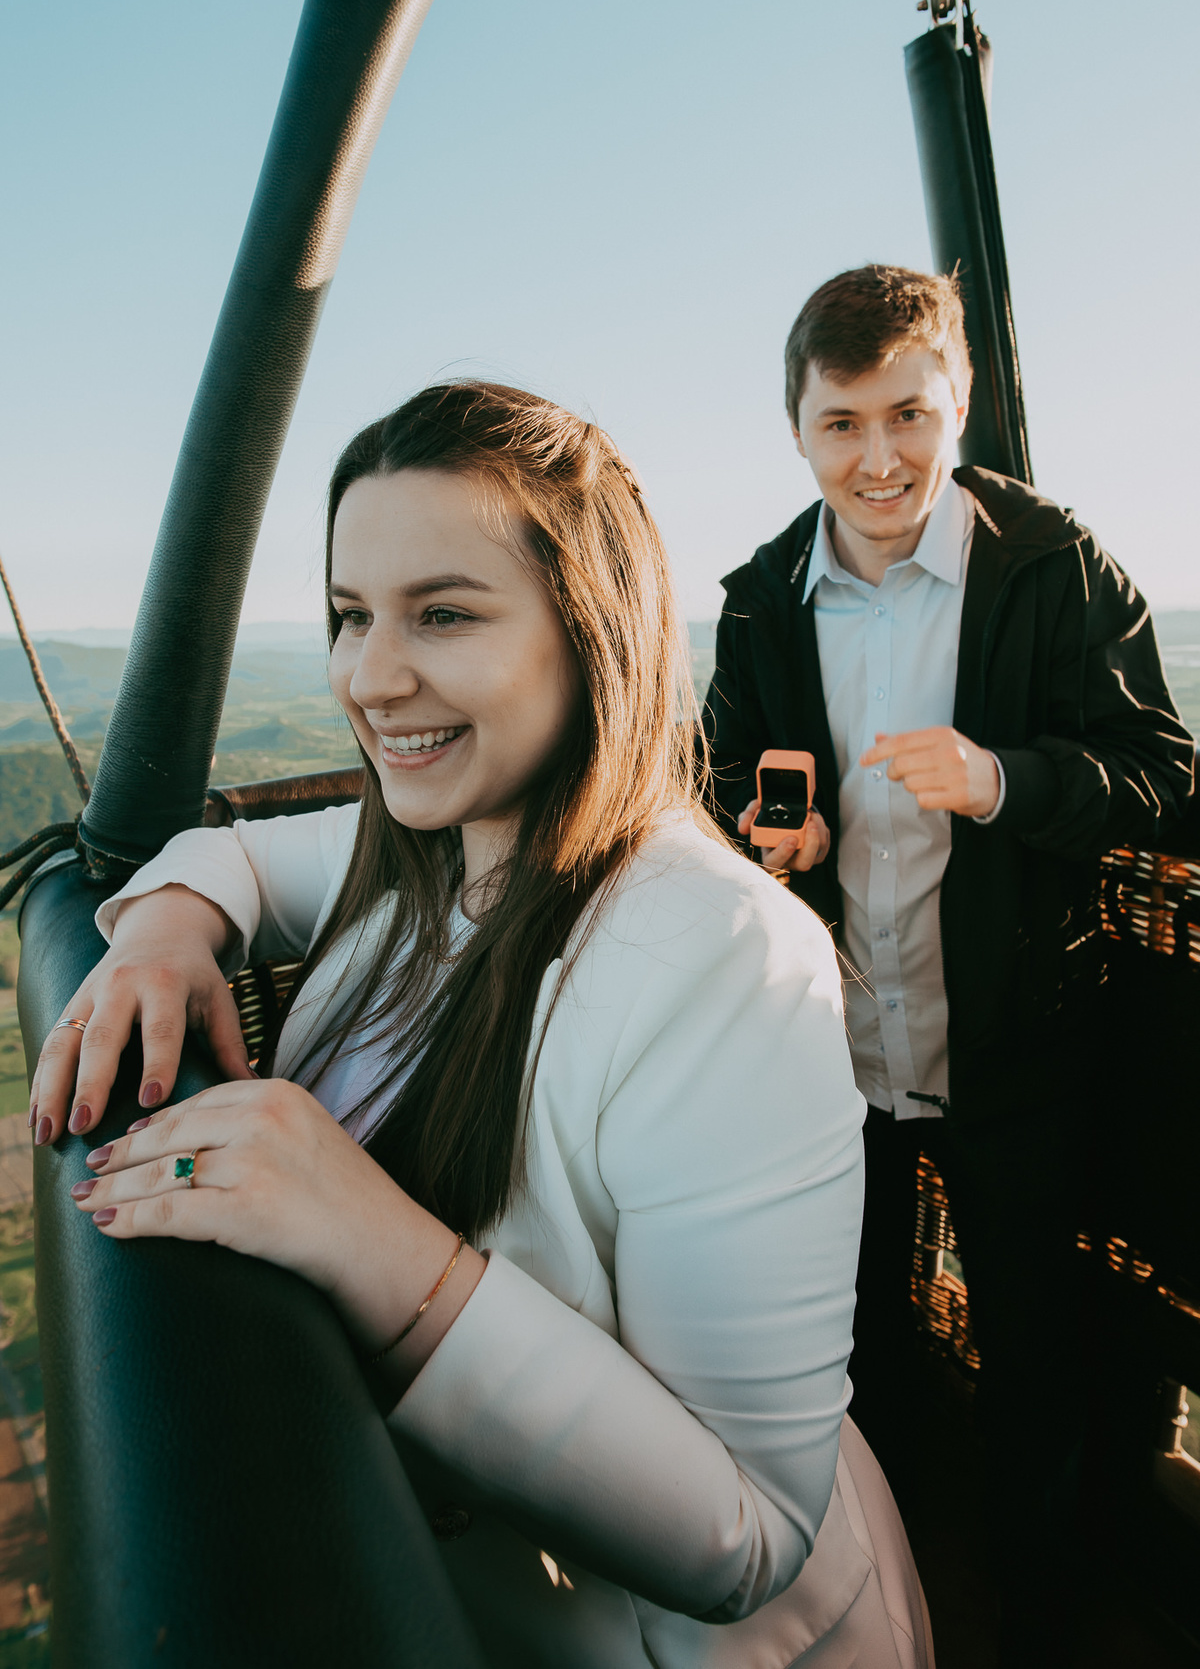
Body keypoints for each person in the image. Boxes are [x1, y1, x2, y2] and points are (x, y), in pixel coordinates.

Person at [31, 382, 934, 1669]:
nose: (369, 677)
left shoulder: (729, 957)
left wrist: (369, 1240)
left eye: (443, 614)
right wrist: (167, 932)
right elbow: (230, 859)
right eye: (351, 616)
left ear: (589, 632)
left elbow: (746, 1536)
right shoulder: (435, 839)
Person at [703, 265, 1194, 1664]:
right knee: (843, 1361)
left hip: (1021, 1054)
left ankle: (1035, 1621)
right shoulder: (754, 603)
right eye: (842, 422)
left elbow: (1166, 774)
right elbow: (726, 776)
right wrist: (759, 833)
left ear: (958, 403)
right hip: (825, 1062)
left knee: (1039, 1363)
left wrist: (1004, 780)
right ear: (796, 429)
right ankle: (878, 1611)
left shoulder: (1055, 566)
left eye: (908, 414)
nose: (880, 457)